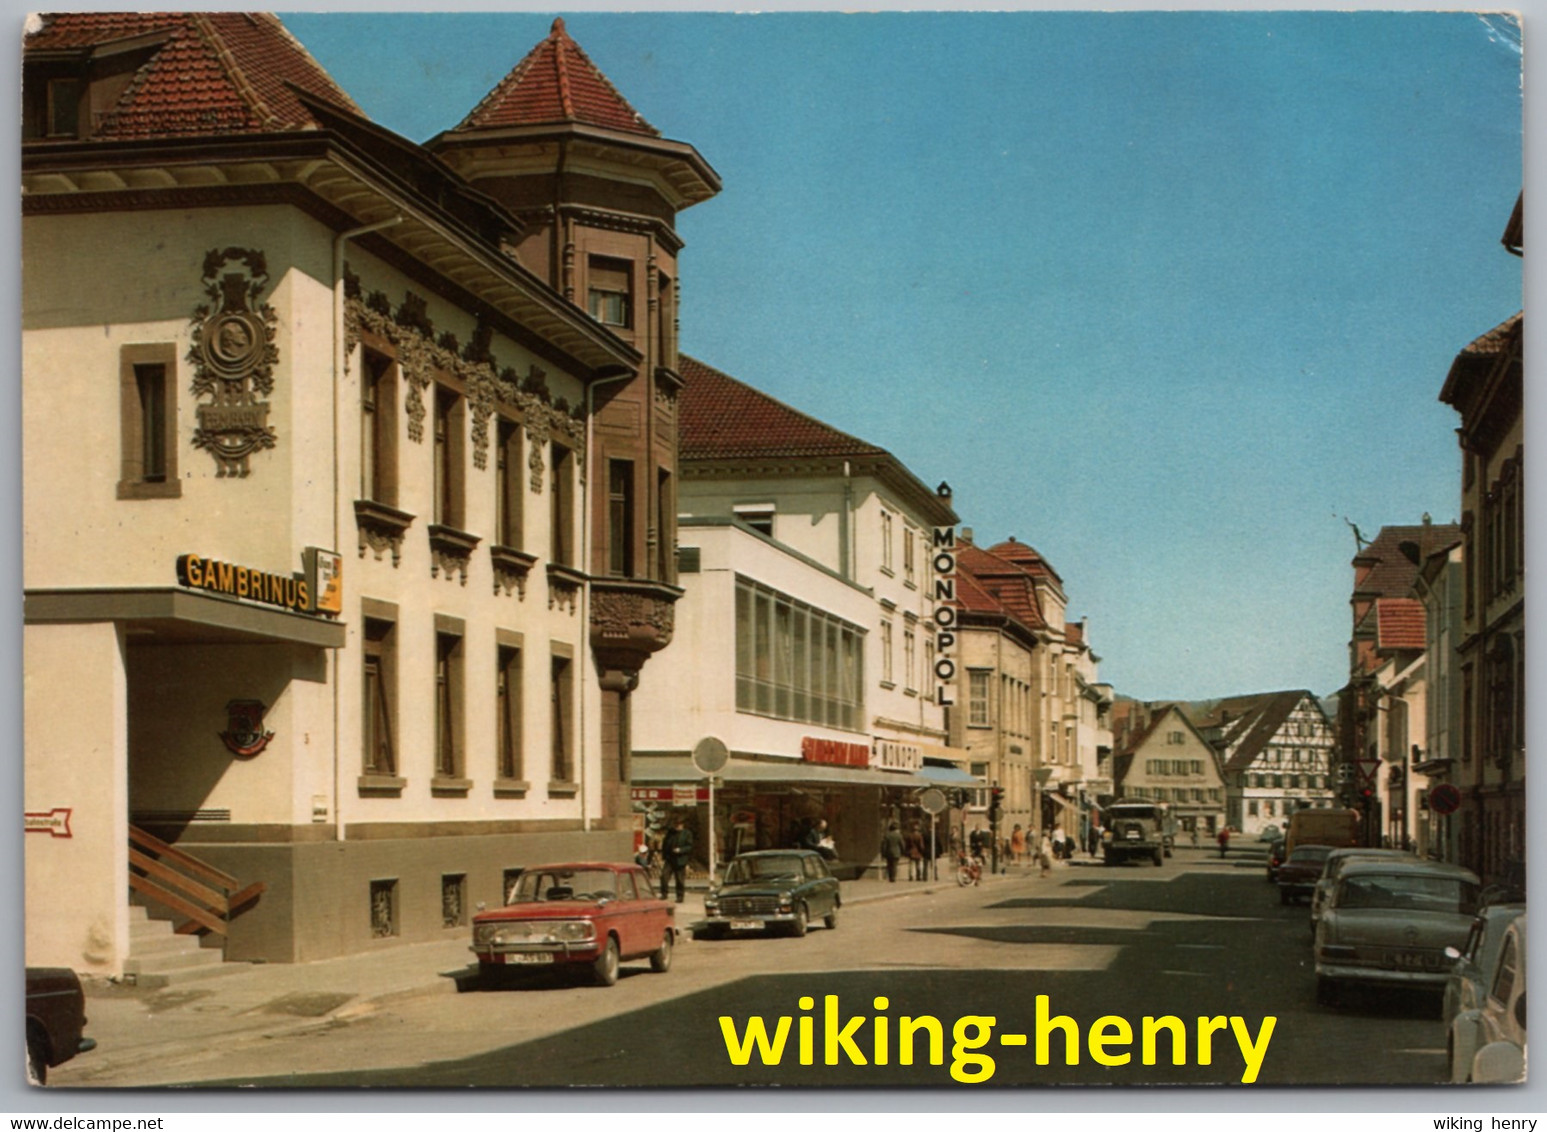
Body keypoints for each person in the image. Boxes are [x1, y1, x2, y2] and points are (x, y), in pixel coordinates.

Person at [660, 816, 694, 903]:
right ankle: (664, 893)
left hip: (680, 860)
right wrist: (664, 855)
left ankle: (680, 896)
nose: (677, 826)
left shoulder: (687, 834)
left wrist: (680, 850)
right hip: (670, 859)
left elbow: (689, 846)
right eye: (676, 824)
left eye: (679, 824)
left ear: (682, 825)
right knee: (664, 876)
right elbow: (665, 843)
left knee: (679, 879)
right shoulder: (671, 833)